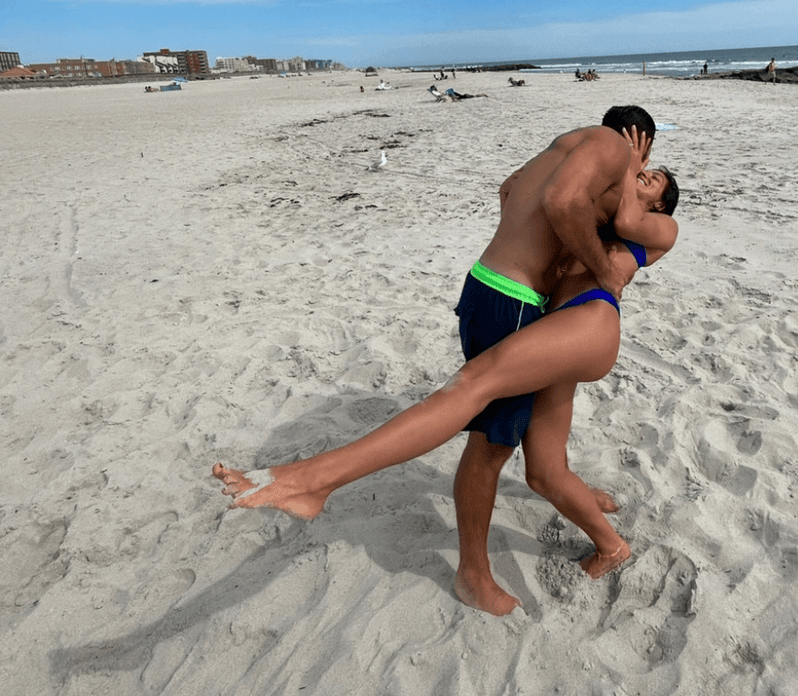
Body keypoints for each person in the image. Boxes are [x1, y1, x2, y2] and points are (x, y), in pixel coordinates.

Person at [213, 108, 679, 614]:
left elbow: (514, 189)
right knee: (540, 466)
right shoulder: (609, 163)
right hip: (537, 312)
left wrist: (557, 237)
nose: (638, 174)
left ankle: (323, 484)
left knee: (478, 412)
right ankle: (603, 541)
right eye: (643, 167)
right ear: (639, 141)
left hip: (536, 307)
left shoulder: (585, 159)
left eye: (650, 176)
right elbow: (561, 201)